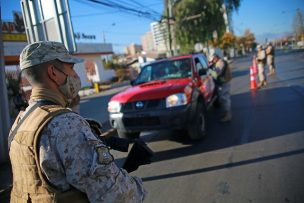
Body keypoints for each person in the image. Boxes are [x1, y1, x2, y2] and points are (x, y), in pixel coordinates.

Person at [8, 41, 146, 202]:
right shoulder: (65, 124)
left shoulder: (20, 122)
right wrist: (137, 187)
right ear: (53, 72)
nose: (75, 76)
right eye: (71, 68)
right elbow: (115, 195)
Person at [208, 51, 232, 122]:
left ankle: (228, 115)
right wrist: (210, 66)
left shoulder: (221, 63)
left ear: (216, 57)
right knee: (223, 97)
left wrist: (209, 70)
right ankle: (226, 113)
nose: (212, 60)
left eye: (213, 58)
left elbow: (216, 74)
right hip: (223, 82)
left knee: (225, 98)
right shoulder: (218, 63)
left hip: (225, 82)